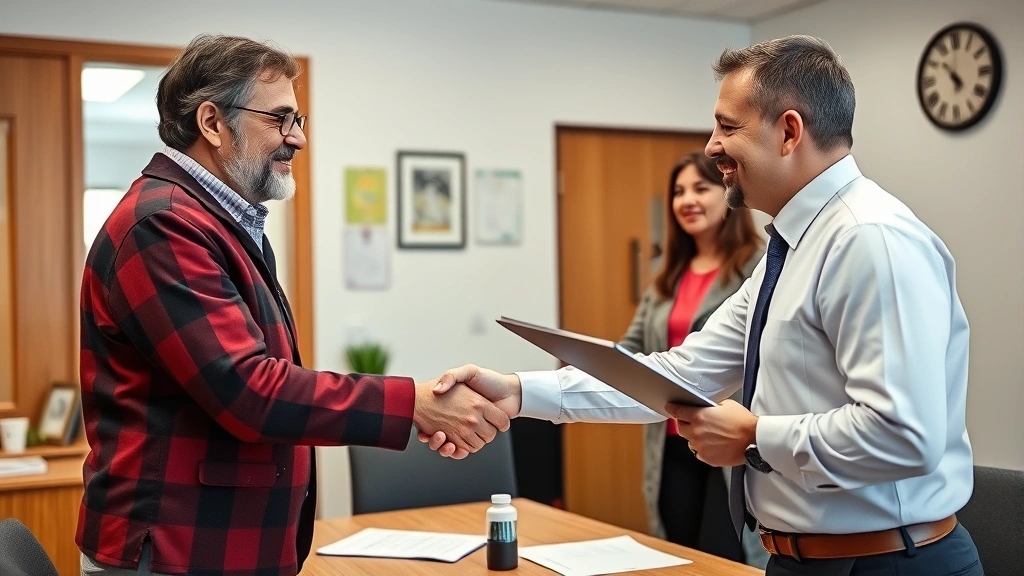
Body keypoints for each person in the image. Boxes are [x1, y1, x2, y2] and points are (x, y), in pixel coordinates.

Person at [425, 35, 981, 576]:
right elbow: (678, 374)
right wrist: (519, 392)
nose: (712, 146)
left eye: (728, 127)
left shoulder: (869, 240)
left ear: (789, 132)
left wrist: (755, 438)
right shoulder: (793, 248)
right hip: (804, 560)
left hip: (889, 562)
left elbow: (904, 434)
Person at [77, 35, 508, 576]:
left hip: (211, 545)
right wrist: (412, 403)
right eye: (280, 119)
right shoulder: (162, 225)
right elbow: (249, 390)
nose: (298, 138)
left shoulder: (218, 223)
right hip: (172, 550)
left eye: (297, 120)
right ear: (212, 123)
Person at [618, 151, 763, 564]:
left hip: (728, 440)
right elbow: (631, 348)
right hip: (670, 439)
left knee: (726, 555)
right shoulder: (667, 275)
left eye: (700, 188)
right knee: (678, 556)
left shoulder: (759, 266)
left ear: (727, 193)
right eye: (678, 192)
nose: (687, 200)